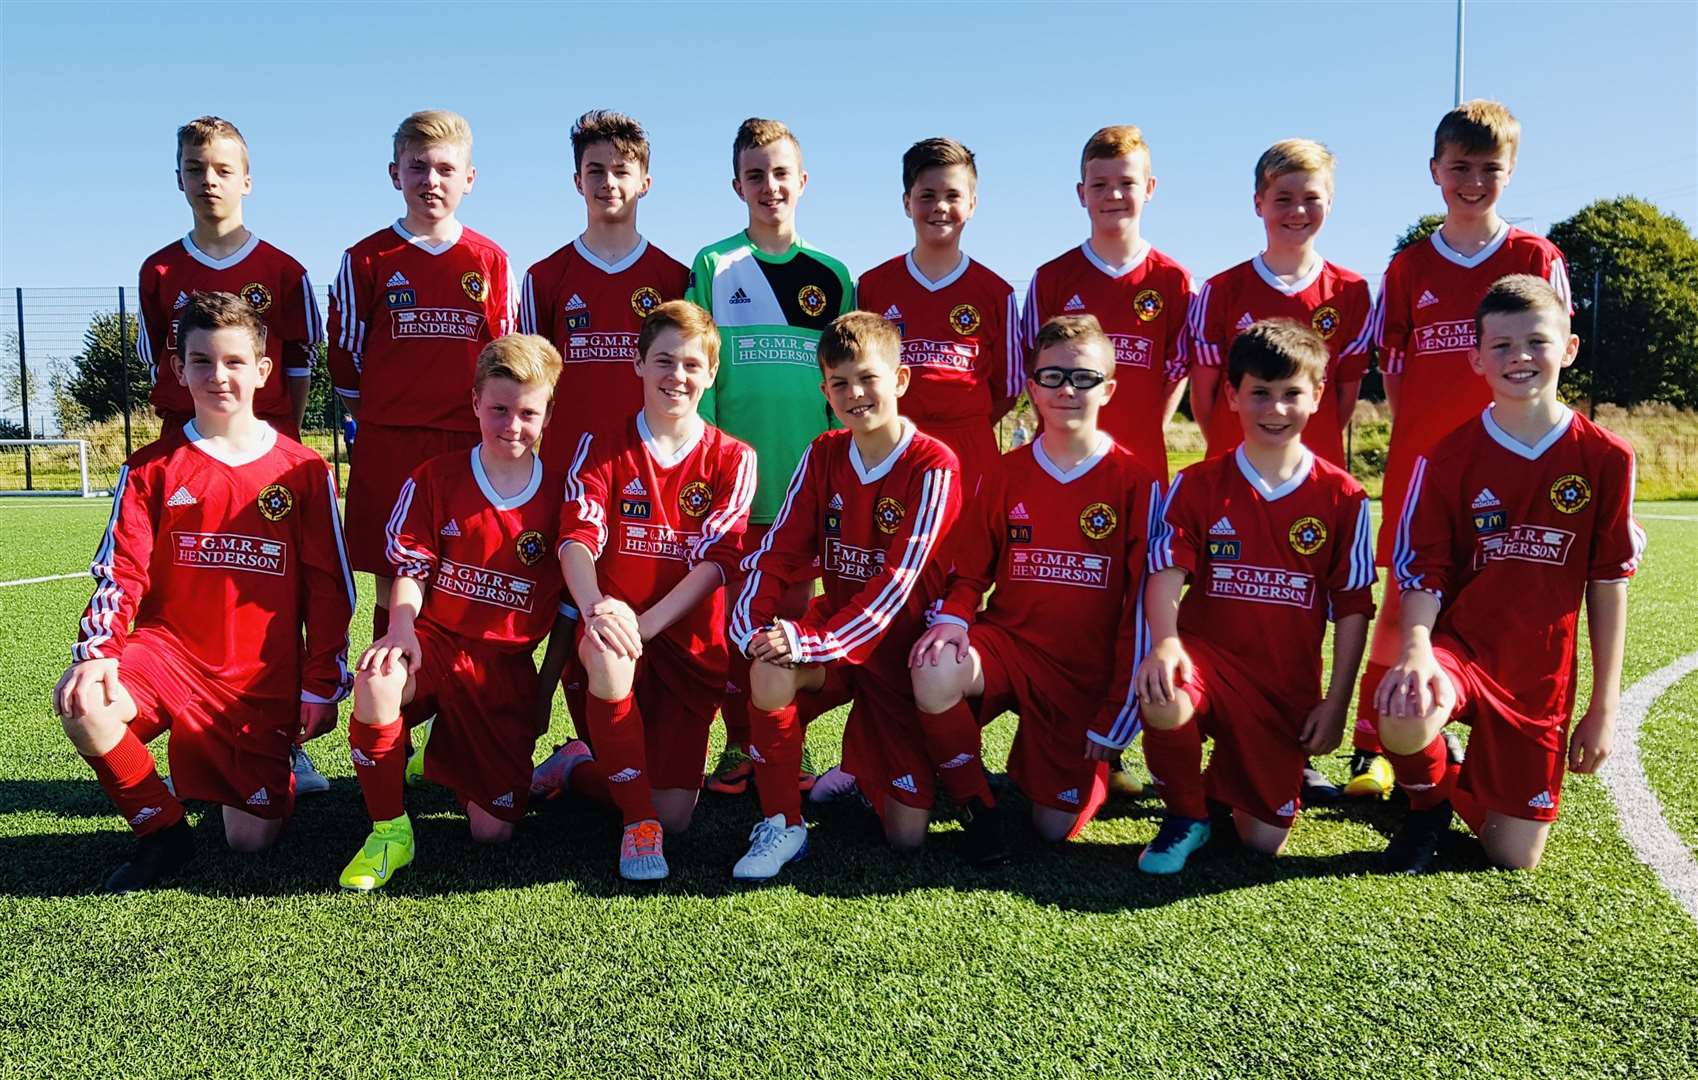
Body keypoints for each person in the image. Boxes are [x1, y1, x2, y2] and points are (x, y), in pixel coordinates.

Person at [54, 291, 353, 892]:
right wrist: (97, 654)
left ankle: (257, 773)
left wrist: (321, 682)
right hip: (169, 657)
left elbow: (329, 588)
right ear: (178, 369)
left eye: (235, 362)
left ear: (264, 370)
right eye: (201, 361)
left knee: (251, 843)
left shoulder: (304, 470)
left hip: (259, 679)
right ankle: (162, 833)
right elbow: (121, 571)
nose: (218, 376)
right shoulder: (151, 468)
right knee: (85, 701)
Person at [1376, 275, 1642, 873]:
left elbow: (1608, 583)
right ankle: (1427, 803)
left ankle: (1455, 771)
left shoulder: (1605, 458)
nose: (1519, 356)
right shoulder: (1447, 456)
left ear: (1569, 348)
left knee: (1513, 855)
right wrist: (1417, 650)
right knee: (1401, 710)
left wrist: (1603, 706)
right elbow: (1423, 571)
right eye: (1500, 345)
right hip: (1461, 650)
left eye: (1536, 341)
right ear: (1476, 359)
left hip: (1539, 676)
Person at [1353, 101, 1572, 789]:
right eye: (1459, 168)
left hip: (1516, 470)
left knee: (1501, 599)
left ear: (1510, 171)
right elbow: (1391, 368)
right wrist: (1419, 442)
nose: (1472, 182)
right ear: (1434, 172)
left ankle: (1487, 731)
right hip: (1427, 467)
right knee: (1404, 599)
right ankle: (1374, 740)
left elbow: (1556, 359)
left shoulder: (1537, 257)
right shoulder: (1409, 267)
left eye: (1488, 169)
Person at [909, 315, 1162, 851]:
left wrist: (1116, 712)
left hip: (1083, 674)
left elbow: (1143, 607)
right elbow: (971, 568)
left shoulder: (1137, 482)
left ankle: (1074, 764)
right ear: (1031, 388)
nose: (1067, 389)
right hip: (1011, 646)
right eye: (1051, 377)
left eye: (1084, 378)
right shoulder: (1004, 472)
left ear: (1109, 388)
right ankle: (976, 804)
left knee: (1052, 829)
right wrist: (954, 618)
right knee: (935, 667)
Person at [1134, 319, 1375, 875]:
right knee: (1164, 690)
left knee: (1260, 841)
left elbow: (1354, 608)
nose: (1276, 408)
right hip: (1208, 667)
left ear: (1317, 396)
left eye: (1292, 393)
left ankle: (1224, 787)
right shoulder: (1196, 484)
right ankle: (1186, 813)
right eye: (1260, 393)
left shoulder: (1343, 496)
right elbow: (1167, 573)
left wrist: (1336, 703)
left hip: (1282, 688)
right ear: (1233, 395)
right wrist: (1165, 644)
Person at [728, 312, 961, 880]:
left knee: (905, 838)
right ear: (825, 391)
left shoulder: (934, 464)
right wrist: (751, 629)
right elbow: (776, 552)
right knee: (768, 666)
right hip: (836, 634)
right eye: (839, 383)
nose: (854, 394)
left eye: (867, 378)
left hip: (903, 650)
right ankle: (783, 824)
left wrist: (814, 641)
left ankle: (869, 766)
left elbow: (896, 584)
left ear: (900, 380)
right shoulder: (823, 453)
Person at [1183, 138, 1381, 798]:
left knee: (1298, 615)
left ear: (1330, 203)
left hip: (1310, 480)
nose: (1297, 211)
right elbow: (1207, 391)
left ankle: (1290, 743)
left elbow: (1347, 393)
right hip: (1234, 477)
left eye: (1311, 199)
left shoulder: (1352, 291)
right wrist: (1235, 461)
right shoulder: (1221, 289)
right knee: (1223, 607)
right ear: (1259, 203)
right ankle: (1189, 735)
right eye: (1283, 199)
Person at [530, 302, 755, 881]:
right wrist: (599, 607)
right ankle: (637, 826)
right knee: (607, 650)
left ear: (710, 375)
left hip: (687, 647)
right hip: (613, 637)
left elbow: (717, 562)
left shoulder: (735, 457)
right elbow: (577, 538)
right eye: (662, 361)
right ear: (637, 364)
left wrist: (645, 625)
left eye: (689, 364)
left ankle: (576, 764)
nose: (675, 376)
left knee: (679, 813)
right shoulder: (600, 447)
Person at [339, 334, 564, 891]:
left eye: (527, 413)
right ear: (474, 405)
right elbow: (409, 569)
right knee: (378, 677)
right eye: (499, 410)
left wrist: (542, 693)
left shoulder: (564, 494)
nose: (512, 425)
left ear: (548, 414)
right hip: (435, 644)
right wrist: (401, 629)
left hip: (504, 667)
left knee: (492, 833)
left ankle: (451, 757)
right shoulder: (435, 478)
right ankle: (390, 830)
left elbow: (566, 612)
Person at [687, 117, 853, 797]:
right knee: (733, 624)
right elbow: (699, 375)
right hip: (737, 490)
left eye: (781, 172)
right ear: (737, 184)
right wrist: (709, 470)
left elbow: (841, 392)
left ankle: (788, 743)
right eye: (755, 174)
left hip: (803, 489)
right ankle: (736, 745)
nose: (770, 185)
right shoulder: (712, 264)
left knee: (794, 622)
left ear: (803, 180)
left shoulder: (833, 275)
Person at [327, 109, 516, 643]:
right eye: (417, 168)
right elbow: (345, 355)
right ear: (395, 174)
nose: (431, 181)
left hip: (465, 442)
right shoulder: (365, 259)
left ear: (469, 179)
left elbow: (504, 353)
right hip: (390, 440)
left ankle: (457, 709)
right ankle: (395, 714)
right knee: (394, 576)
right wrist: (379, 415)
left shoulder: (490, 260)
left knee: (464, 570)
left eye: (445, 169)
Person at [519, 109, 689, 473]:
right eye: (595, 170)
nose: (608, 182)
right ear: (578, 181)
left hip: (649, 469)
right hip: (564, 469)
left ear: (645, 182)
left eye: (622, 171)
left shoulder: (675, 278)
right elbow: (527, 385)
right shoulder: (544, 277)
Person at [1020, 125, 1193, 482]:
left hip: (1139, 465)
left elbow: (1176, 373)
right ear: (1082, 194)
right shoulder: (1052, 278)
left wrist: (1144, 433)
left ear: (1149, 188)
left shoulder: (1174, 281)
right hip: (1059, 465)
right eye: (1099, 185)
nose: (1113, 194)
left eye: (1127, 183)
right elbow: (1031, 369)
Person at [138, 117, 323, 441]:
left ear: (246, 182)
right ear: (180, 179)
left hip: (266, 437)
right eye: (195, 169)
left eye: (224, 170)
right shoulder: (159, 270)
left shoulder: (285, 273)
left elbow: (300, 363)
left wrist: (284, 434)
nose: (209, 181)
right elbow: (156, 359)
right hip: (182, 441)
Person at [857, 137, 1020, 498]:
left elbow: (1008, 388)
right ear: (906, 203)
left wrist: (962, 424)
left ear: (973, 204)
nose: (940, 207)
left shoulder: (996, 293)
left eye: (953, 195)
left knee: (969, 553)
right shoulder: (872, 287)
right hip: (893, 448)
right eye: (927, 196)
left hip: (969, 451)